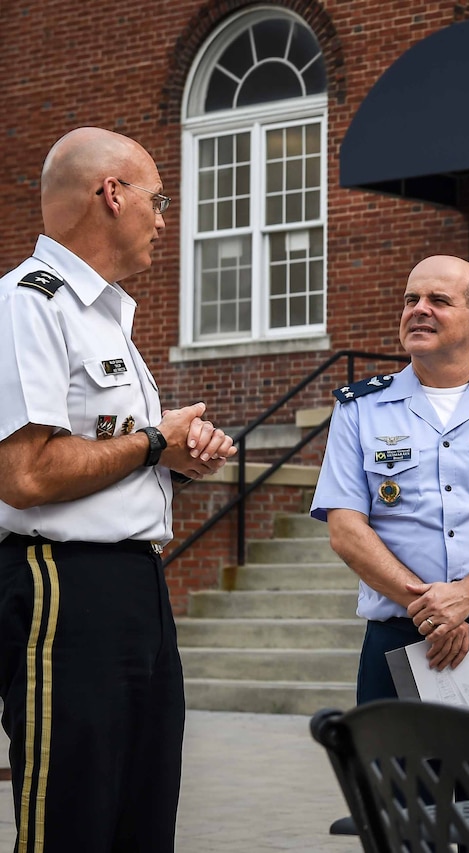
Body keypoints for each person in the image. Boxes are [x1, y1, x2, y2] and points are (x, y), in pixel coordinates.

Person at [0, 127, 237, 852]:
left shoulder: (109, 317)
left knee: (143, 811)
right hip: (61, 586)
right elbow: (25, 473)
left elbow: (115, 452)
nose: (165, 220)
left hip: (136, 583)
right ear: (111, 194)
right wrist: (152, 442)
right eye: (158, 200)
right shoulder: (28, 304)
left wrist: (175, 457)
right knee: (73, 817)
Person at [310, 254, 469, 702]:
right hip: (397, 637)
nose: (419, 309)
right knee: (395, 774)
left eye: (439, 300)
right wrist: (435, 611)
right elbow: (346, 531)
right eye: (411, 299)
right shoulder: (359, 409)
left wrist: (466, 596)